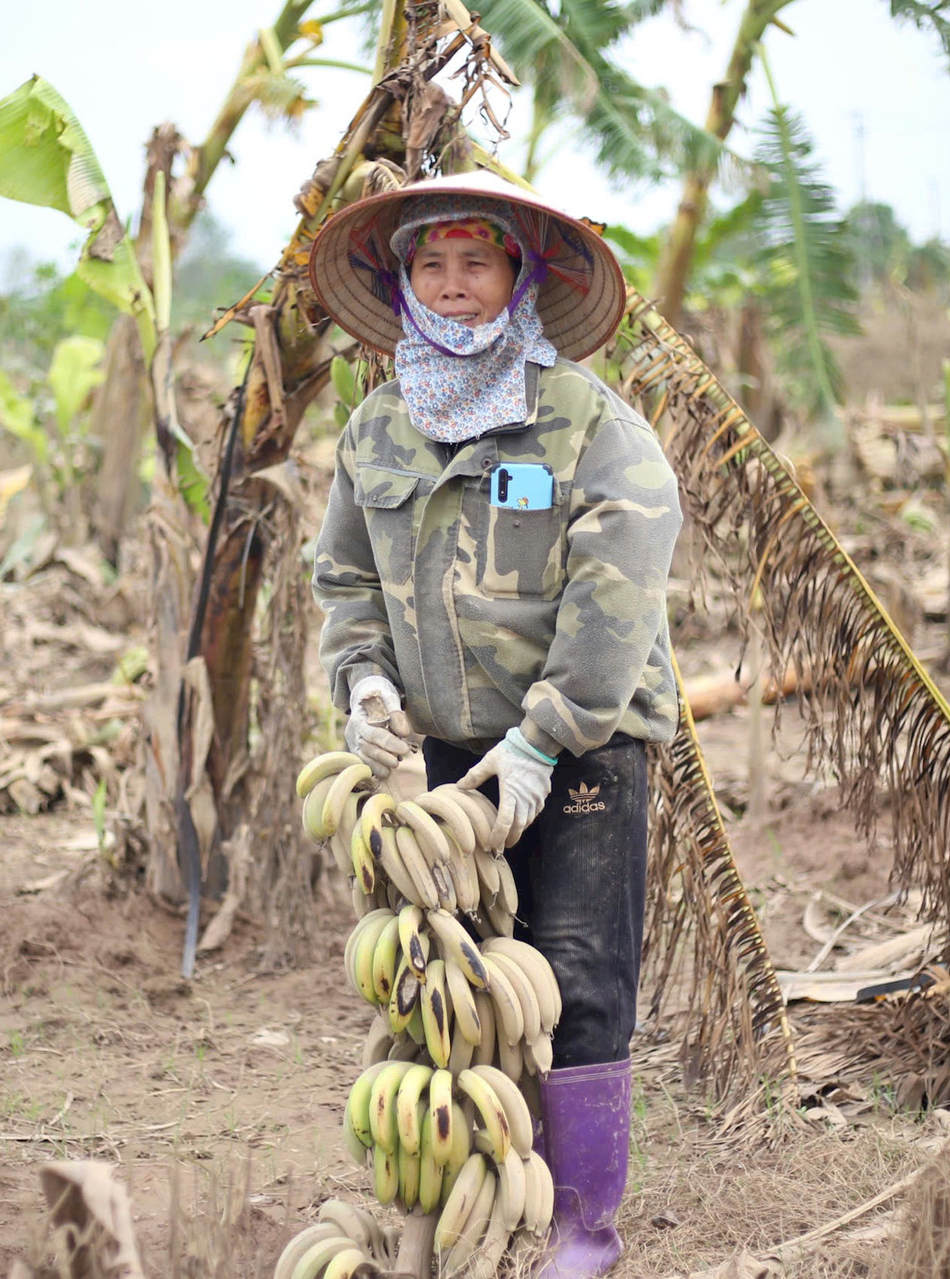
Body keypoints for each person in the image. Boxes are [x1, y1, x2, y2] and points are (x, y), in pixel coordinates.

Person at [306, 171, 682, 1278]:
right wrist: (367, 686)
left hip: (584, 741)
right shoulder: (377, 432)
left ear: (520, 278)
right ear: (405, 283)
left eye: (479, 263)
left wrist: (544, 735)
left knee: (575, 968)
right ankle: (467, 1202)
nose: (456, 287)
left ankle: (585, 1227)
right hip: (449, 752)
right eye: (433, 265)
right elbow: (344, 582)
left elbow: (618, 593)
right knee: (457, 980)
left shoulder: (587, 426)